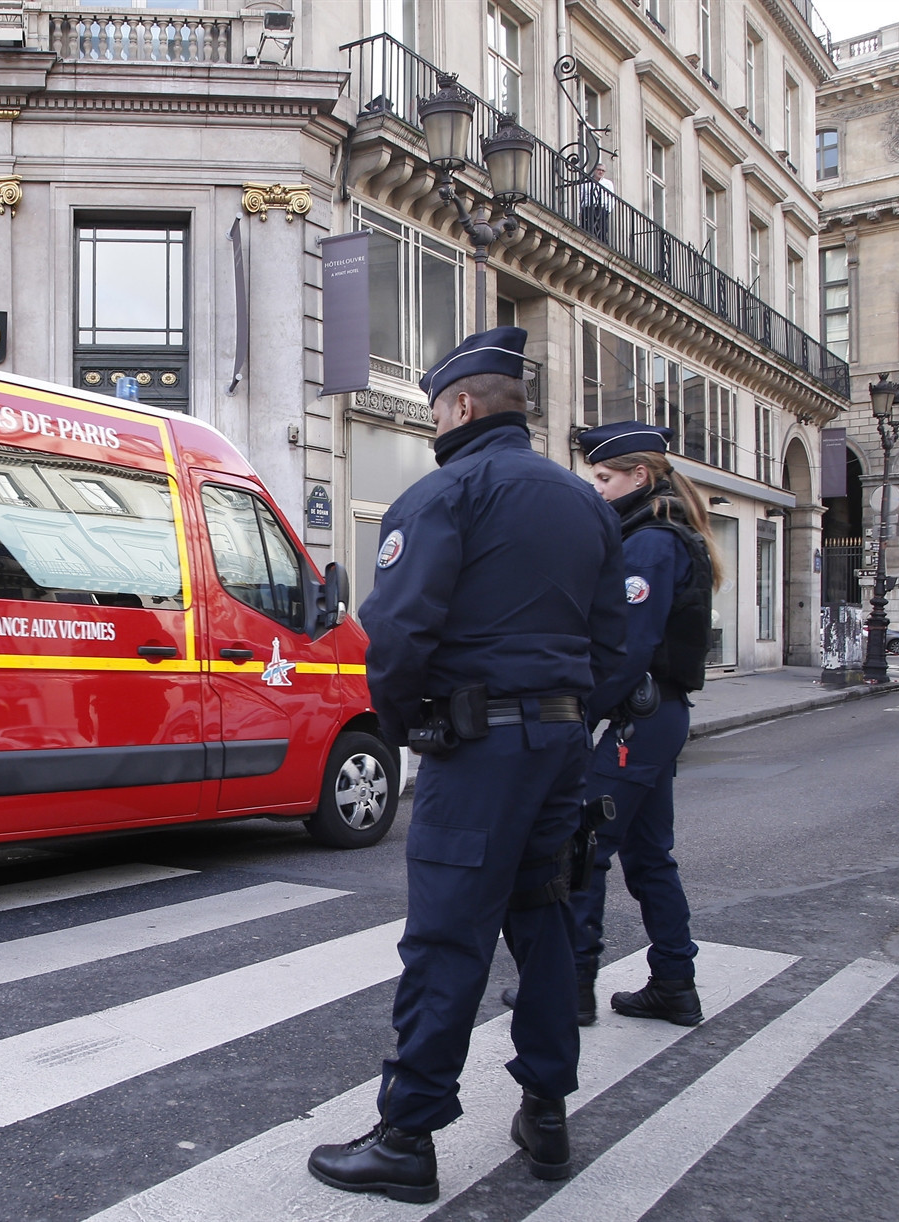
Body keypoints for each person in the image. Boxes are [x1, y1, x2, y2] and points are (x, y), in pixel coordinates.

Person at [308, 328, 628, 1202]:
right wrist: (567, 716)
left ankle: (408, 1136)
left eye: (434, 413)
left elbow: (397, 634)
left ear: (458, 406)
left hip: (480, 747)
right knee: (545, 916)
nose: (433, 427)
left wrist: (407, 726)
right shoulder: (586, 504)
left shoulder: (444, 494)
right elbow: (612, 641)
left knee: (448, 936)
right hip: (559, 745)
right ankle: (546, 1112)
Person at [564, 422, 721, 1028]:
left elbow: (627, 649)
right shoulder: (657, 533)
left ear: (640, 476)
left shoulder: (651, 543)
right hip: (655, 716)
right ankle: (674, 983)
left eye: (605, 477)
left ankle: (571, 987)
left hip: (640, 716)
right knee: (650, 855)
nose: (597, 487)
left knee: (584, 845)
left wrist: (581, 714)